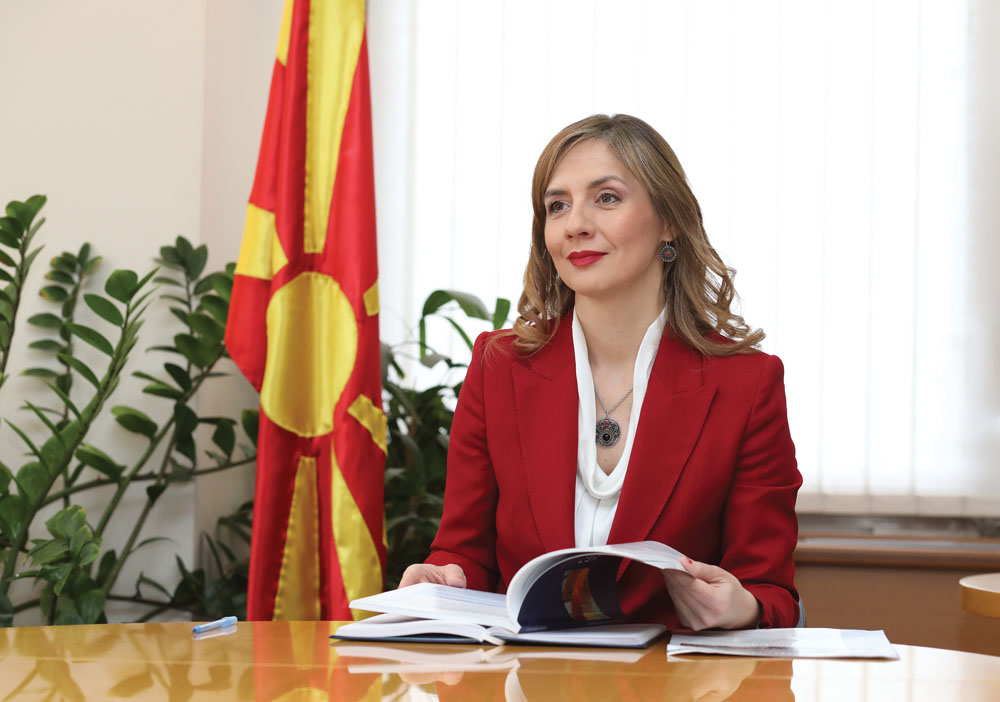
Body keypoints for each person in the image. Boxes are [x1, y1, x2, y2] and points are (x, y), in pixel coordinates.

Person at [399, 114, 802, 630]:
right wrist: (444, 578)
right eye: (557, 205)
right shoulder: (498, 368)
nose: (575, 224)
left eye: (606, 198)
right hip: (527, 669)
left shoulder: (746, 384)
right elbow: (463, 553)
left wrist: (741, 607)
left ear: (669, 220)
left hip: (674, 672)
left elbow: (770, 592)